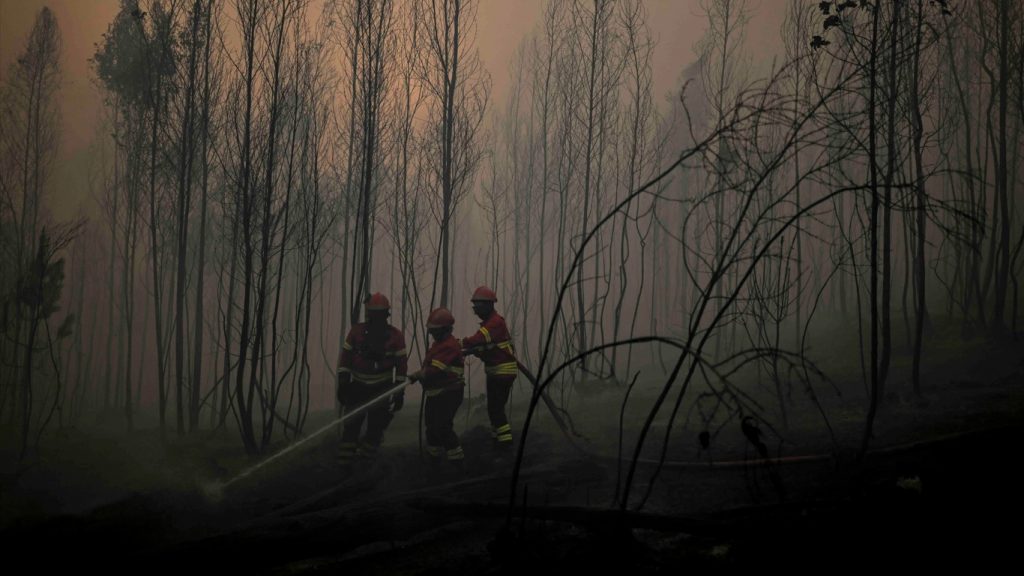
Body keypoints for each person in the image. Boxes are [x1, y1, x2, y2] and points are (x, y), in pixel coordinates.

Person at [336, 293, 407, 463]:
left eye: (381, 314)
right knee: (351, 426)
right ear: (369, 314)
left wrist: (399, 393)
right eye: (375, 314)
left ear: (386, 315)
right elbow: (345, 359)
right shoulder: (356, 333)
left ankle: (366, 462)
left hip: (382, 389)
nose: (377, 318)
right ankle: (345, 463)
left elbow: (401, 367)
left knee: (376, 427)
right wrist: (343, 383)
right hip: (357, 388)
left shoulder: (396, 336)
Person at [460, 286, 518, 450]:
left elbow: (479, 339)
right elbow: (487, 347)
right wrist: (474, 351)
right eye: (475, 308)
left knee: (496, 409)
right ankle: (497, 441)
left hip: (502, 372)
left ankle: (505, 445)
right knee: (494, 409)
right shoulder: (490, 323)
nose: (476, 311)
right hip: (495, 371)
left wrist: (459, 344)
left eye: (478, 307)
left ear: (488, 305)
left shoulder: (495, 323)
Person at [408, 307, 466, 465]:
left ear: (445, 330)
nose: (432, 334)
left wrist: (420, 374)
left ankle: (457, 462)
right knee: (431, 428)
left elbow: (435, 369)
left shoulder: (449, 345)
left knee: (442, 427)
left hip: (449, 393)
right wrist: (421, 374)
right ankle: (434, 460)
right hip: (436, 393)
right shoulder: (438, 345)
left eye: (435, 331)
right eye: (431, 331)